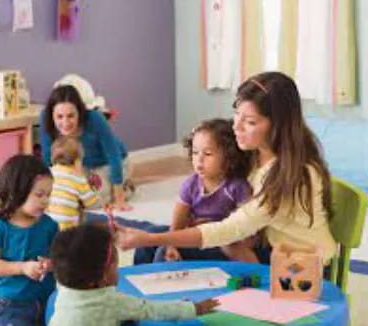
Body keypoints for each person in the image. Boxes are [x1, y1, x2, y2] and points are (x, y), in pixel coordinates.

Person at [117, 72, 337, 267]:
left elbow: (230, 230)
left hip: (295, 266)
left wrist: (153, 239)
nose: (236, 126)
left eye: (249, 122)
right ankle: (138, 305)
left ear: (277, 126)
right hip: (262, 243)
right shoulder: (255, 154)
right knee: (152, 243)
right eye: (237, 115)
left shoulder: (292, 176)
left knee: (160, 247)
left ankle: (163, 308)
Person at [135, 118, 256, 264]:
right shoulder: (191, 185)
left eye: (208, 154)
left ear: (229, 157)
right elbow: (178, 222)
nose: (199, 160)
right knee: (149, 235)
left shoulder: (236, 187)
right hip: (193, 233)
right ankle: (135, 278)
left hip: (220, 241)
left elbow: (248, 227)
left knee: (162, 250)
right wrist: (172, 243)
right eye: (195, 152)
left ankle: (159, 283)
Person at [48, 223, 219, 326]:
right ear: (105, 276)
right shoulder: (111, 302)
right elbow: (152, 309)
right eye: (116, 263)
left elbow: (70, 258)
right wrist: (193, 308)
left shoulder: (63, 287)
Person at [0, 154, 59, 326]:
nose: (46, 201)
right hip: (13, 305)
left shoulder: (49, 225)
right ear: (15, 192)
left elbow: (61, 258)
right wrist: (22, 268)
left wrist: (51, 263)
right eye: (39, 195)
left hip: (48, 299)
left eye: (48, 194)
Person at [40, 84, 133, 211]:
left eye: (71, 116)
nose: (65, 123)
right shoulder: (45, 119)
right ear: (52, 115)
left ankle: (126, 187)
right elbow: (47, 158)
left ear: (79, 112)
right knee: (72, 194)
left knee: (94, 201)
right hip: (79, 165)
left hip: (108, 163)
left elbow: (113, 155)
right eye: (60, 117)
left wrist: (119, 199)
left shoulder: (95, 118)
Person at [47, 135, 100, 230]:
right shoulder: (79, 178)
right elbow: (93, 204)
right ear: (77, 162)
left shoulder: (48, 173)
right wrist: (93, 189)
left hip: (47, 224)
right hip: (68, 228)